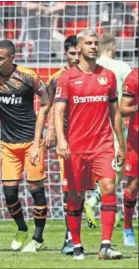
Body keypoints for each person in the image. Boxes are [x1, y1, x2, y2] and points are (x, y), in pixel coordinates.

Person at [54, 29, 125, 260]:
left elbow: (115, 111)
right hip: (76, 147)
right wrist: (61, 139)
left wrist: (120, 144)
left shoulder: (109, 76)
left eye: (95, 43)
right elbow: (59, 110)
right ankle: (76, 245)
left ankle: (105, 245)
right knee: (75, 196)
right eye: (88, 43)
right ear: (80, 47)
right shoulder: (67, 77)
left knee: (109, 187)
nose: (93, 46)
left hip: (103, 145)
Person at [0, 40, 48, 252]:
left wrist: (40, 140)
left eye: (0, 58)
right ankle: (21, 227)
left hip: (31, 142)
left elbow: (47, 101)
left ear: (12, 58)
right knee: (9, 194)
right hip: (7, 144)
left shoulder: (29, 77)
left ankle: (38, 238)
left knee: (36, 190)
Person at [30, 35, 79, 255]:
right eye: (73, 53)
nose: (77, 58)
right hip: (66, 141)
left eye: (79, 53)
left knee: (83, 190)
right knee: (70, 189)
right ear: (66, 54)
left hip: (90, 139)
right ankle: (70, 237)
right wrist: (45, 135)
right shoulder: (57, 78)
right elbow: (46, 108)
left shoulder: (93, 75)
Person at [84, 32, 132, 229]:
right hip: (114, 123)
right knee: (120, 165)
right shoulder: (121, 67)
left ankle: (112, 209)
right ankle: (94, 201)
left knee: (104, 166)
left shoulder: (93, 67)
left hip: (92, 123)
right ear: (112, 47)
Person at [120, 69, 138, 247]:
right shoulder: (134, 77)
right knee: (133, 187)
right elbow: (122, 109)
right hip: (137, 139)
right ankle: (127, 227)